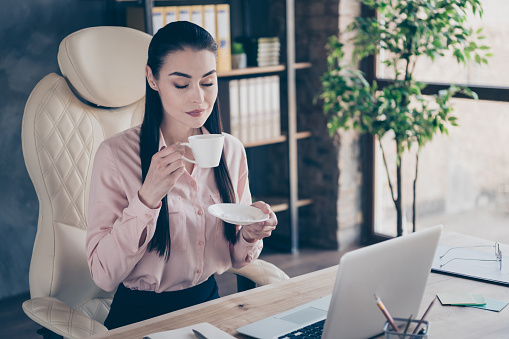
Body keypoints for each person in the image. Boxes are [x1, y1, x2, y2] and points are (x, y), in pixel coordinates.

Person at [86, 21, 277, 330]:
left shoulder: (230, 151)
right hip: (140, 319)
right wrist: (147, 199)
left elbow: (237, 258)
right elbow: (103, 274)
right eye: (181, 84)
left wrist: (250, 234)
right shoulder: (115, 156)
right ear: (152, 78)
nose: (198, 98)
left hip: (209, 310)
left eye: (208, 82)